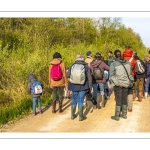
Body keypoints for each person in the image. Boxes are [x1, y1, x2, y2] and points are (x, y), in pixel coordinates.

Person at [109, 50, 134, 121]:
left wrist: (117, 83)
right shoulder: (128, 63)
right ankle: (124, 115)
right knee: (124, 99)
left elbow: (112, 75)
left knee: (118, 99)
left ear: (115, 55)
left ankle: (117, 116)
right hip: (126, 84)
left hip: (118, 85)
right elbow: (129, 74)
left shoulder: (113, 64)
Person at [67, 54, 92, 121]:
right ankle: (81, 117)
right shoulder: (86, 66)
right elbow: (89, 78)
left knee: (74, 100)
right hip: (83, 86)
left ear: (76, 59)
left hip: (74, 86)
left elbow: (68, 75)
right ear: (82, 59)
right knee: (81, 100)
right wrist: (90, 87)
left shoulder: (72, 66)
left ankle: (72, 115)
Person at [123, 48, 136, 112]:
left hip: (123, 78)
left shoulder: (121, 60)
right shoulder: (133, 60)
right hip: (131, 78)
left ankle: (123, 108)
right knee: (130, 92)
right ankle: (130, 108)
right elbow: (134, 69)